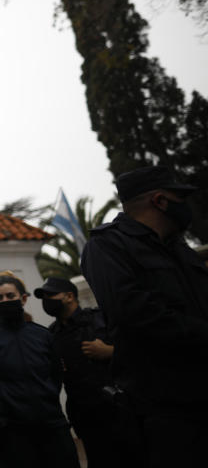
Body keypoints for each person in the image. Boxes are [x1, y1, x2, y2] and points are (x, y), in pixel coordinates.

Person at [81, 165, 208, 468]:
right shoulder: (106, 246)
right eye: (180, 197)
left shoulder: (178, 247)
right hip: (166, 410)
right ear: (160, 201)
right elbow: (135, 312)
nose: (185, 206)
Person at [0, 275, 78, 468]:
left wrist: (46, 397)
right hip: (11, 431)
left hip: (51, 424)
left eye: (10, 295)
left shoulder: (42, 335)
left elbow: (55, 374)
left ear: (23, 298)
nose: (5, 301)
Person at [34, 276, 126, 468]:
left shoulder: (99, 319)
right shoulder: (52, 333)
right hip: (83, 410)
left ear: (69, 296)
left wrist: (110, 352)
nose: (47, 301)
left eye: (51, 295)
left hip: (116, 408)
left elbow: (138, 351)